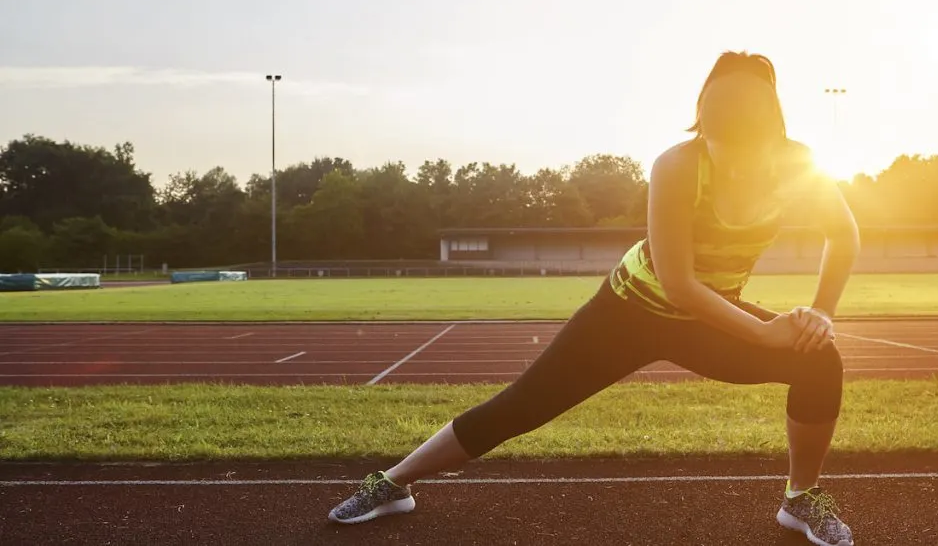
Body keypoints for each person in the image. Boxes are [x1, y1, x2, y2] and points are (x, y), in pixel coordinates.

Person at [327, 51, 861, 546]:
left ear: (767, 113)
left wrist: (820, 316)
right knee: (521, 406)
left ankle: (800, 498)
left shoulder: (796, 166)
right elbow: (678, 285)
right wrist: (766, 332)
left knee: (819, 360)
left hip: (710, 313)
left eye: (739, 103)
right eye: (713, 100)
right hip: (629, 312)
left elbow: (845, 232)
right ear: (703, 108)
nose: (722, 113)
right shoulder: (678, 165)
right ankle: (394, 483)